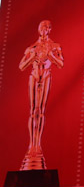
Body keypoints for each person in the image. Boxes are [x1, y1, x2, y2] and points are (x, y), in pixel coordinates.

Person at [18, 20, 64, 170]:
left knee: (41, 110)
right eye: (43, 27)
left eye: (48, 27)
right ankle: (32, 145)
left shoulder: (55, 46)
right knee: (33, 110)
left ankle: (37, 146)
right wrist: (32, 58)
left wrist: (51, 56)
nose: (46, 30)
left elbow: (61, 64)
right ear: (39, 29)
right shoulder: (32, 47)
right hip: (34, 75)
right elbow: (21, 66)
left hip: (46, 76)